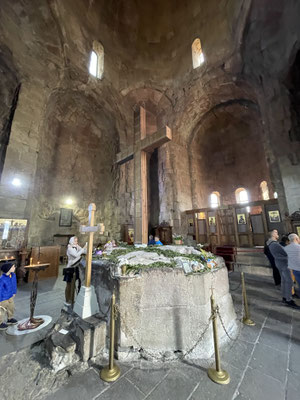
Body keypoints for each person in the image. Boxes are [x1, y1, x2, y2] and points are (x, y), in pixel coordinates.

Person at [268, 230, 299, 308]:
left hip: (280, 263)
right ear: (272, 235)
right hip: (284, 264)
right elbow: (286, 252)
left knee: (284, 281)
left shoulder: (272, 244)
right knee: (289, 281)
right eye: (276, 233)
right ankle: (288, 299)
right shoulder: (274, 244)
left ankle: (285, 297)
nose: (277, 234)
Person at [63, 236, 87, 307]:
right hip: (70, 267)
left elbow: (83, 251)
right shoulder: (70, 248)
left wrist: (87, 248)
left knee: (78, 283)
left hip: (77, 267)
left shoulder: (76, 246)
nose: (76, 242)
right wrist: (83, 248)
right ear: (72, 241)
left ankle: (75, 298)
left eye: (77, 240)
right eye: (75, 241)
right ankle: (68, 300)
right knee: (69, 285)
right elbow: (76, 255)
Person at [0, 262, 18, 330]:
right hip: (3, 298)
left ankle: (10, 319)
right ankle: (0, 323)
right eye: (13, 267)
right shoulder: (2, 279)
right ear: (8, 269)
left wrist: (14, 292)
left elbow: (14, 284)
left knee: (11, 307)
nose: (14, 268)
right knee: (2, 310)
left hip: (10, 296)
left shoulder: (13, 275)